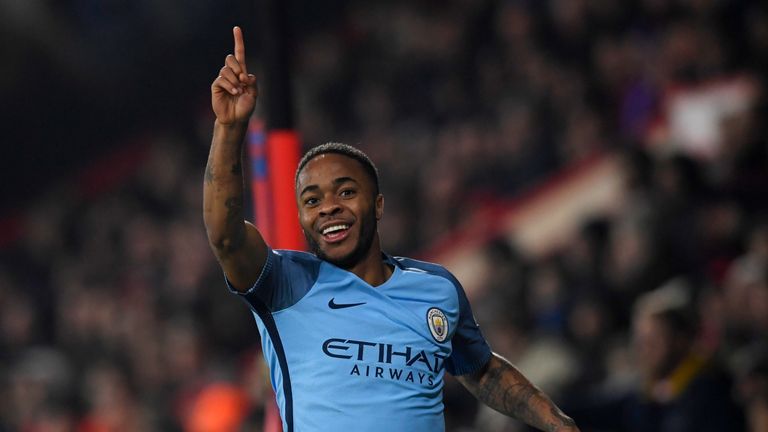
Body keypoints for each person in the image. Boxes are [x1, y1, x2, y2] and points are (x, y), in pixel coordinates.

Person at [203, 26, 580, 432]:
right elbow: (225, 236)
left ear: (378, 204)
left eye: (345, 192)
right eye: (312, 200)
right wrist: (229, 128)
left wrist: (559, 424)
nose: (328, 207)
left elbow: (482, 371)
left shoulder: (436, 289)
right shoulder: (283, 283)